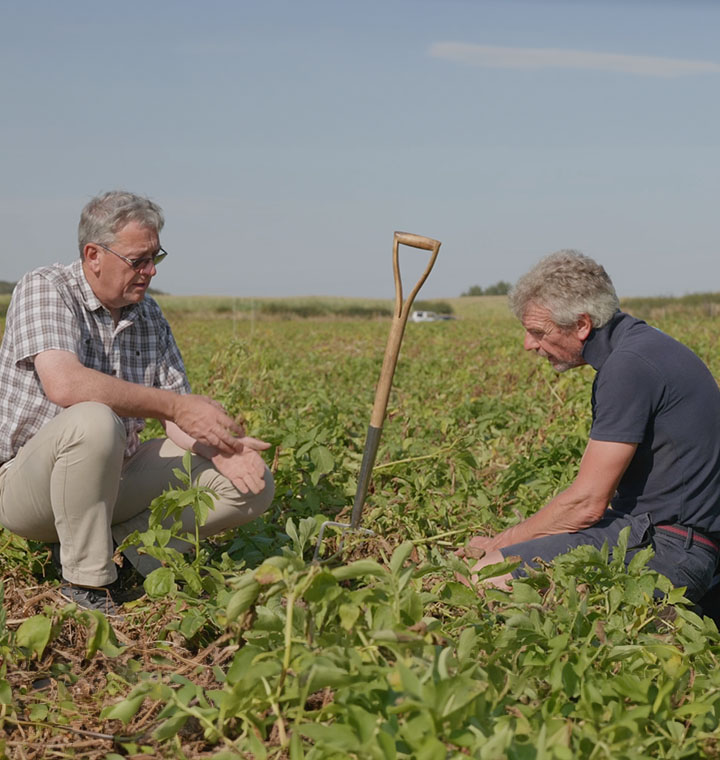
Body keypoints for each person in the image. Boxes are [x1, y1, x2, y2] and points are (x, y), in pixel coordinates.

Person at [0, 190, 275, 615]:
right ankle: (85, 583)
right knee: (94, 420)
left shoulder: (149, 315)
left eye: (155, 258)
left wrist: (223, 450)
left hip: (113, 478)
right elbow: (65, 385)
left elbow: (177, 420)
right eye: (138, 260)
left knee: (250, 486)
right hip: (28, 488)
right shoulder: (46, 288)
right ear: (93, 254)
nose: (149, 271)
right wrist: (174, 406)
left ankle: (128, 552)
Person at [460, 250, 720, 603]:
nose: (529, 345)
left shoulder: (627, 367)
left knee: (489, 573)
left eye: (538, 331)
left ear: (582, 324)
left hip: (668, 550)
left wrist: (502, 542)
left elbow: (586, 503)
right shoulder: (646, 346)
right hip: (679, 538)